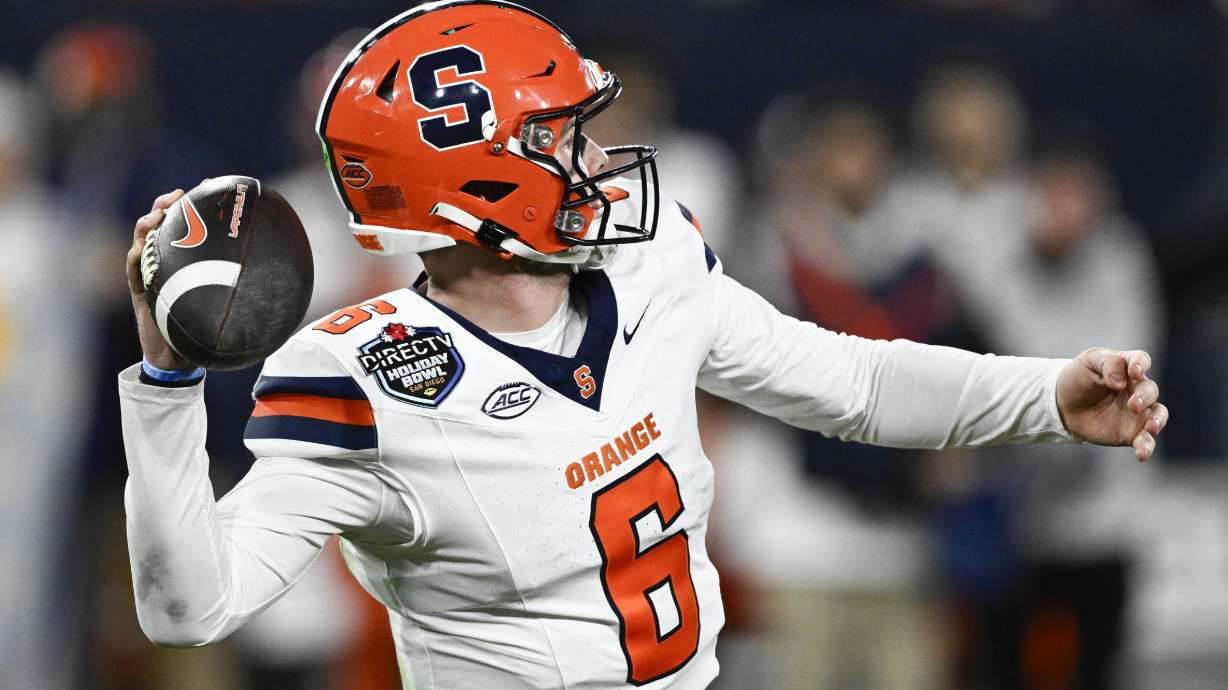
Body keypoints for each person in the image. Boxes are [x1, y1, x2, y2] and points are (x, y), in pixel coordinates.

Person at [118, 3, 1167, 689]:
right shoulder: (358, 374)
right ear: (478, 179)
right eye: (560, 136)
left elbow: (851, 380)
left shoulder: (650, 262)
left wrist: (1045, 396)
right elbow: (189, 607)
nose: (597, 157)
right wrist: (166, 381)